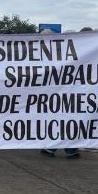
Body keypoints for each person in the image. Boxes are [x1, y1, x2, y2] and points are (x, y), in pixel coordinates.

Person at [38, 29, 80, 159]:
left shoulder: (58, 53)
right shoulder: (59, 52)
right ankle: (65, 148)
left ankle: (59, 148)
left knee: (63, 120)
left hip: (63, 92)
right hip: (56, 93)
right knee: (61, 121)